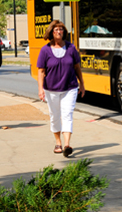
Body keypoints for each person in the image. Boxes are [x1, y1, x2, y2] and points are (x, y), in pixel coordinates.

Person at [37, 20, 85, 158]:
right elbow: (41, 71)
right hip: (51, 89)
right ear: (51, 32)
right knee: (54, 116)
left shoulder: (71, 48)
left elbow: (77, 67)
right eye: (56, 29)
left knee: (67, 114)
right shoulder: (45, 50)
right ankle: (58, 142)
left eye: (61, 29)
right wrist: (40, 89)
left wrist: (82, 84)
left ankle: (67, 145)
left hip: (70, 88)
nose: (59, 32)